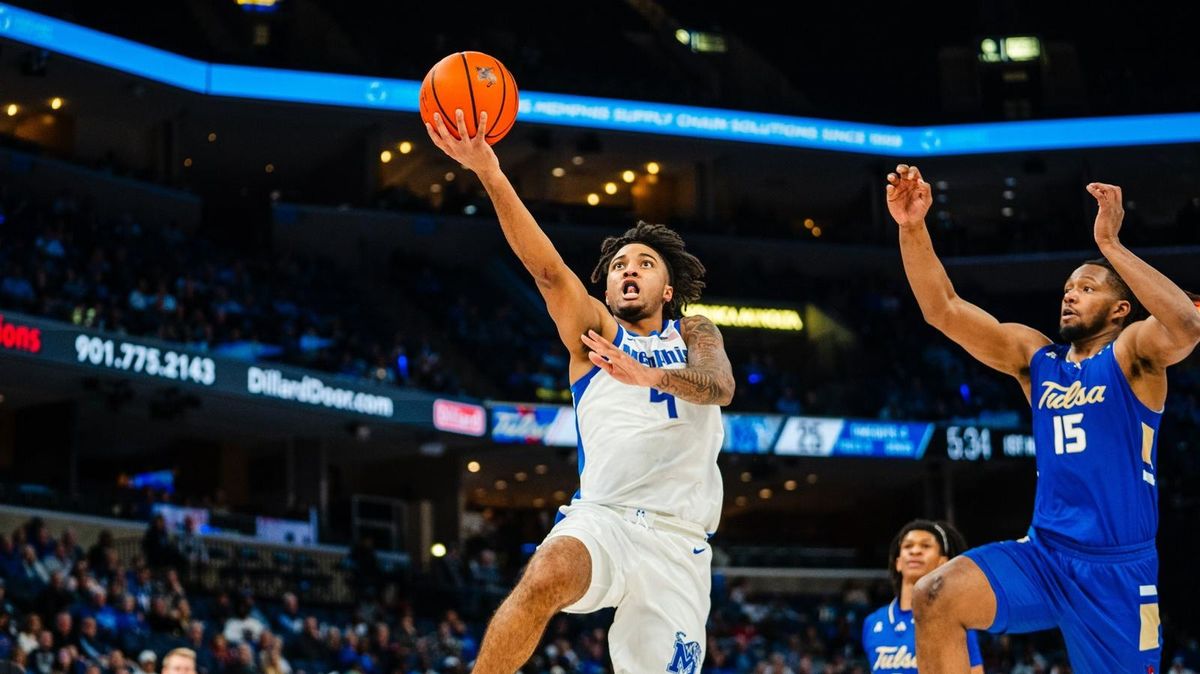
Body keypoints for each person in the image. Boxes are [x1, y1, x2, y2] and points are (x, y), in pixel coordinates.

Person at [426, 108, 735, 673]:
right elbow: (547, 271)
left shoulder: (695, 330)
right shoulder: (594, 333)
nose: (628, 270)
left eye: (645, 262)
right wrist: (491, 173)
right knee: (546, 572)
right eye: (619, 265)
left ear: (669, 288)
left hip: (678, 542)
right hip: (606, 517)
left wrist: (652, 376)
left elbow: (720, 387)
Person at [887, 165, 1200, 673]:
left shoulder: (1134, 353)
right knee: (934, 595)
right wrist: (912, 227)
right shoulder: (1038, 359)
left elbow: (1187, 325)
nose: (1070, 294)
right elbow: (942, 309)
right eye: (1067, 287)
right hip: (1045, 555)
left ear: (1122, 307)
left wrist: (1111, 245)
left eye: (1087, 288)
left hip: (1117, 570)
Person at [862, 520, 983, 673]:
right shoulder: (872, 622)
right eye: (908, 546)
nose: (915, 551)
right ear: (898, 563)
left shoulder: (953, 620)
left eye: (925, 546)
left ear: (942, 562)